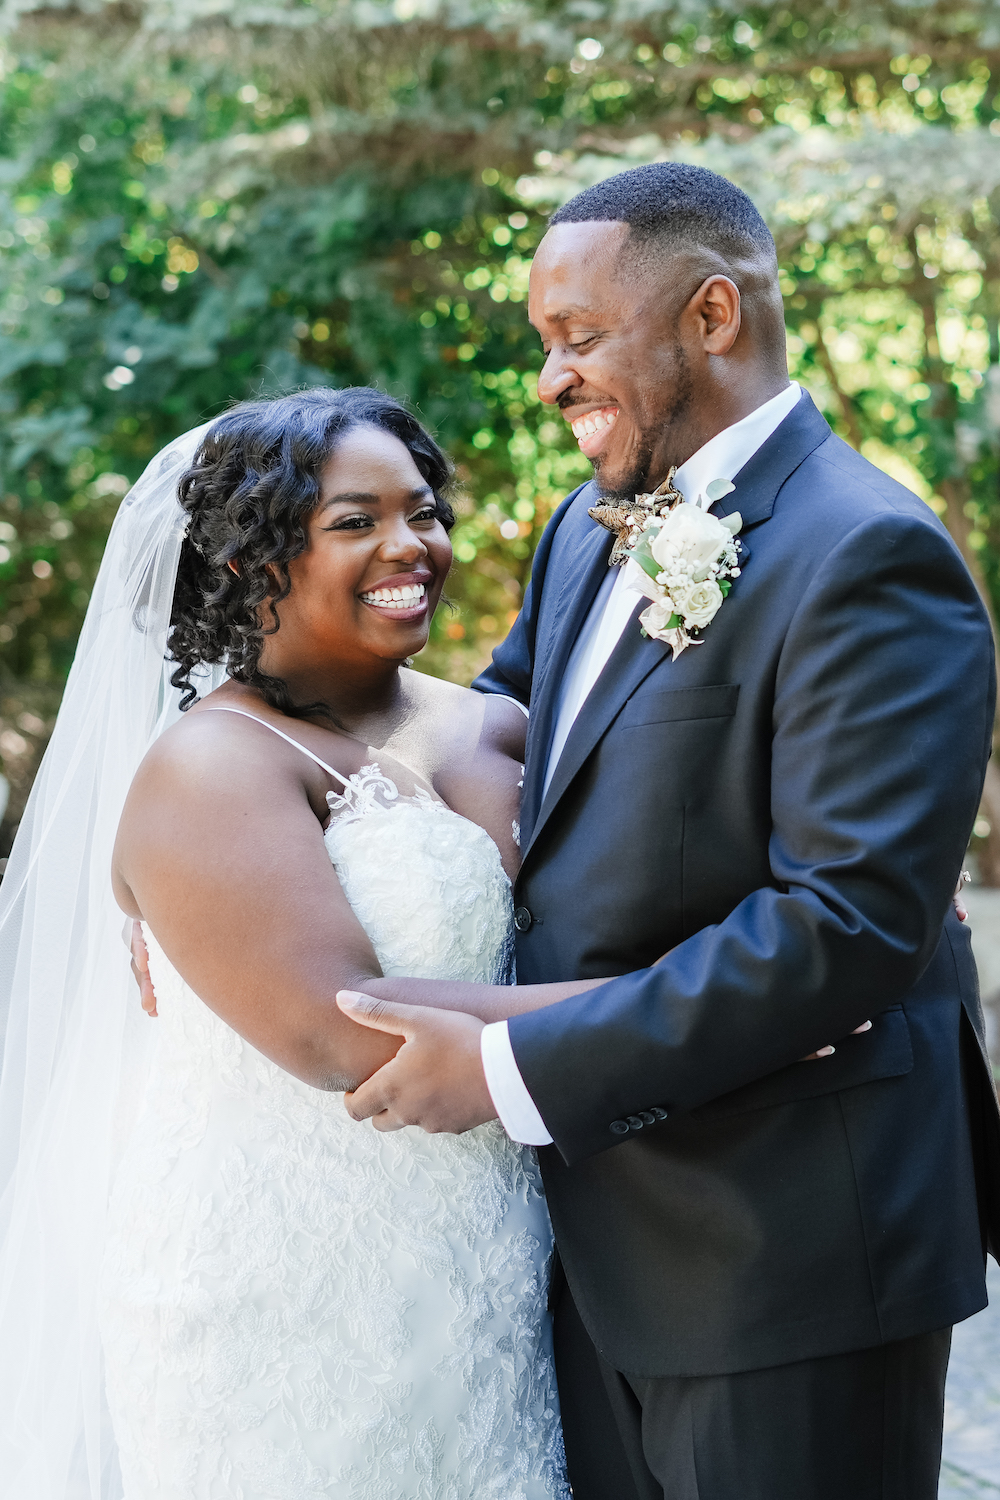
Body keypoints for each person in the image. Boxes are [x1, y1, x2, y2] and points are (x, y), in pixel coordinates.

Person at [335, 164, 1000, 1499]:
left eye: (577, 339)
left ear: (709, 317)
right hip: (596, 1251)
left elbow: (848, 926)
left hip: (791, 1253)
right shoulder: (588, 534)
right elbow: (483, 732)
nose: (550, 379)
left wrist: (514, 1070)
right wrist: (238, 801)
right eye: (544, 346)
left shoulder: (870, 556)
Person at [0, 387, 584, 1499]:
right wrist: (707, 1004)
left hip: (483, 1257)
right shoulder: (207, 768)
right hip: (279, 1293)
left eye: (423, 511)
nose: (412, 544)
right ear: (251, 560)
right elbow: (343, 1034)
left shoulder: (494, 725)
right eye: (354, 522)